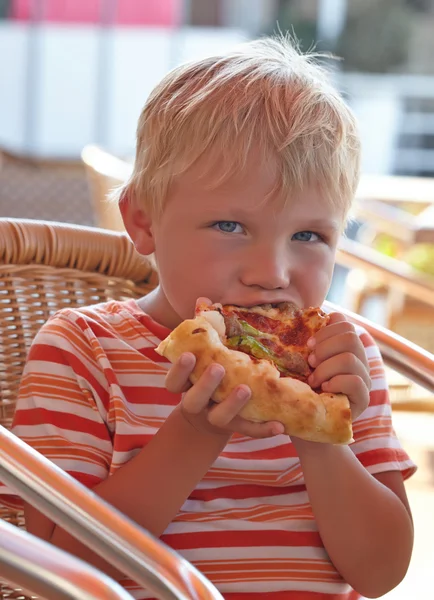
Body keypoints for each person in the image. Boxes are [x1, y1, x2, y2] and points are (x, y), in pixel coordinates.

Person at [0, 36, 416, 599]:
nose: (271, 271)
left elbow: (381, 572)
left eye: (308, 236)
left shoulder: (343, 360)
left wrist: (319, 433)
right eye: (230, 227)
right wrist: (194, 434)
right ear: (144, 221)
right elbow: (58, 568)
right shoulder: (83, 349)